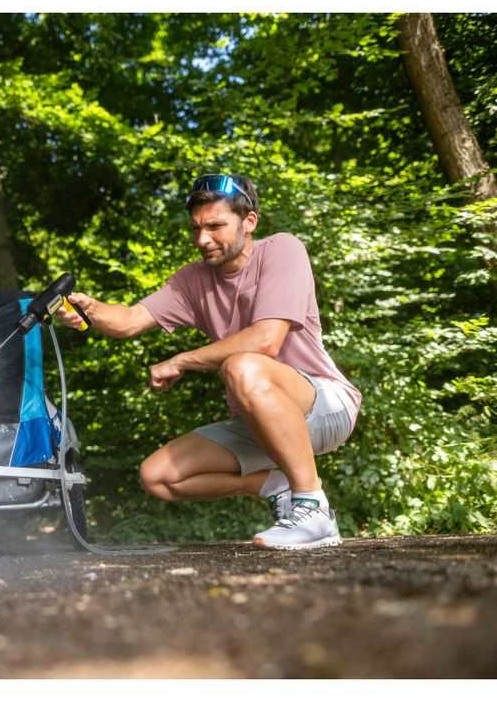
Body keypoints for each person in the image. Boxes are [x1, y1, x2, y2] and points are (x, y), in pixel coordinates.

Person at [57, 173, 361, 550]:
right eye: (196, 228)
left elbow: (266, 340)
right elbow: (130, 320)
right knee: (158, 476)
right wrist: (90, 309)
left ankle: (313, 507)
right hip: (257, 417)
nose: (203, 239)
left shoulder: (282, 249)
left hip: (325, 405)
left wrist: (182, 360)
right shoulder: (192, 280)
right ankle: (275, 485)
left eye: (215, 226)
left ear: (249, 221)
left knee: (241, 365)